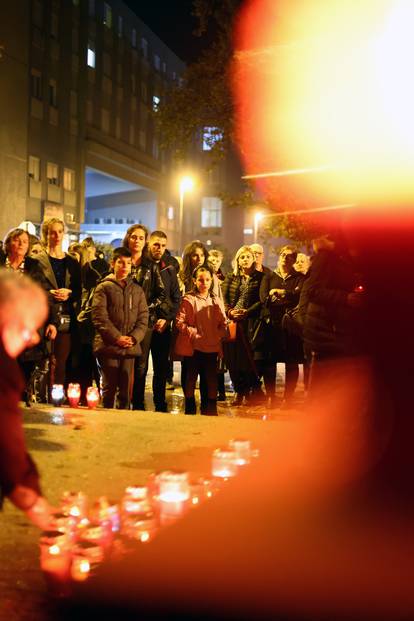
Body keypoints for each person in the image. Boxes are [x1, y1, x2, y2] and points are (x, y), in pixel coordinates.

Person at [0, 270, 53, 528]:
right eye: (29, 328)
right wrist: (34, 502)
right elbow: (6, 448)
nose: (33, 339)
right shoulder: (4, 371)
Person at [0, 228, 57, 404]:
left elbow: (44, 295)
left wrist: (52, 322)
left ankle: (20, 402)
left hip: (26, 327)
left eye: (24, 241)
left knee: (24, 368)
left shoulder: (34, 267)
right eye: (17, 240)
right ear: (8, 244)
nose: (21, 244)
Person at [91, 247, 148, 409]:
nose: (124, 266)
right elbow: (99, 317)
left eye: (128, 263)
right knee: (109, 389)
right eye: (120, 263)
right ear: (113, 264)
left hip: (129, 347)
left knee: (125, 391)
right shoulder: (104, 287)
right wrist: (117, 338)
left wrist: (133, 337)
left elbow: (143, 317)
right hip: (109, 345)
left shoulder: (137, 290)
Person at [122, 224, 166, 410]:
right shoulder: (121, 260)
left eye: (141, 238)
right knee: (123, 363)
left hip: (144, 322)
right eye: (134, 237)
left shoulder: (151, 265)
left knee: (141, 366)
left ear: (145, 241)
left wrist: (144, 309)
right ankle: (121, 399)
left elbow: (161, 294)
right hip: (122, 320)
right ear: (128, 238)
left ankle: (138, 402)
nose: (137, 241)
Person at [175, 265, 227, 415]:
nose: (204, 283)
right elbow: (180, 321)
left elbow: (222, 321)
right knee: (191, 378)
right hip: (194, 346)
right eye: (201, 280)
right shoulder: (189, 299)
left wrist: (220, 333)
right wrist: (193, 332)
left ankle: (210, 408)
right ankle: (190, 407)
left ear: (212, 281)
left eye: (207, 280)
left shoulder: (215, 300)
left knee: (211, 379)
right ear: (194, 281)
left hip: (211, 346)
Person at [36, 218, 82, 390]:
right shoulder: (37, 260)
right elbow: (32, 289)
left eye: (60, 232)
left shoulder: (72, 262)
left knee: (61, 361)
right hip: (43, 315)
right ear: (46, 234)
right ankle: (40, 396)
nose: (56, 235)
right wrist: (49, 294)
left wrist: (69, 293)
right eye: (52, 232)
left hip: (66, 316)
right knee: (43, 361)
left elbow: (78, 290)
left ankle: (57, 397)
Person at [259, 245, 305, 408]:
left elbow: (299, 296)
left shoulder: (300, 278)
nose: (286, 258)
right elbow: (264, 297)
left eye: (290, 256)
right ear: (279, 257)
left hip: (291, 326)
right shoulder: (269, 276)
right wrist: (277, 298)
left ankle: (288, 398)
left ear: (294, 260)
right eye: (283, 254)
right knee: (270, 362)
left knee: (291, 362)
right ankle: (271, 396)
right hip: (273, 325)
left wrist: (282, 293)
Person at [221, 245, 265, 406]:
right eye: (242, 257)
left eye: (248, 256)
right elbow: (222, 299)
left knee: (247, 360)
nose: (245, 259)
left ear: (253, 259)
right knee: (233, 360)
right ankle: (239, 392)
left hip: (250, 323)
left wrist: (247, 312)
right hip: (232, 322)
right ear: (238, 261)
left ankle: (253, 391)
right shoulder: (231, 278)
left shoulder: (261, 278)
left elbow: (262, 300)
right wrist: (230, 312)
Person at [146, 231, 181, 412]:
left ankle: (160, 404)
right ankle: (137, 402)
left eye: (163, 245)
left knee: (160, 368)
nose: (159, 249)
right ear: (149, 244)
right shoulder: (142, 266)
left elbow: (177, 297)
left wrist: (167, 319)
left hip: (162, 325)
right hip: (143, 324)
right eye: (156, 245)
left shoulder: (169, 269)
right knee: (140, 367)